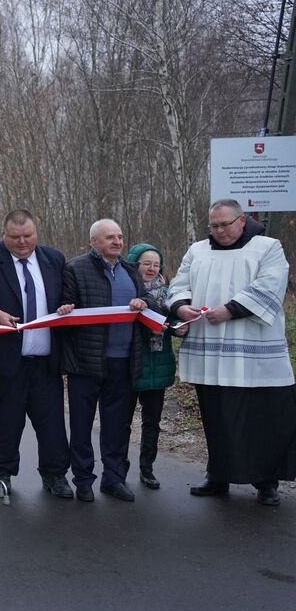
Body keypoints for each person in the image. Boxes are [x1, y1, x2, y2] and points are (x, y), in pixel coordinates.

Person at [169, 199, 296, 506]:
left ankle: (267, 483)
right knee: (217, 416)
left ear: (242, 221)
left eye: (225, 224)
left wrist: (230, 310)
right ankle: (218, 475)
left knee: (263, 418)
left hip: (255, 354)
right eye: (214, 225)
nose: (220, 231)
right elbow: (179, 283)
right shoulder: (197, 250)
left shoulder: (267, 247)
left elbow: (270, 286)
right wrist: (180, 306)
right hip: (209, 353)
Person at [0, 210, 73, 499]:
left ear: (36, 233)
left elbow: (65, 295)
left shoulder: (54, 259)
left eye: (28, 236)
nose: (22, 242)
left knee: (51, 420)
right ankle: (2, 474)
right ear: (4, 235)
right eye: (15, 237)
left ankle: (55, 475)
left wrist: (67, 306)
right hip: (3, 359)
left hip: (44, 360)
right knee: (5, 420)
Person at [60, 219, 148, 503]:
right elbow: (64, 306)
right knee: (82, 426)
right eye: (109, 237)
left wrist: (143, 303)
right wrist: (66, 308)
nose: (117, 242)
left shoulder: (131, 272)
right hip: (86, 363)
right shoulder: (75, 268)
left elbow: (151, 304)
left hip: (122, 362)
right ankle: (83, 480)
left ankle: (114, 479)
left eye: (120, 236)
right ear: (94, 242)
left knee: (116, 425)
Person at [124, 242, 186, 490]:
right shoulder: (124, 290)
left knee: (152, 421)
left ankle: (147, 469)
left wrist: (180, 327)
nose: (151, 268)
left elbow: (174, 321)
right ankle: (119, 470)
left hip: (159, 364)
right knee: (122, 423)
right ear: (134, 264)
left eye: (156, 264)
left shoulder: (168, 293)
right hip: (130, 364)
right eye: (146, 263)